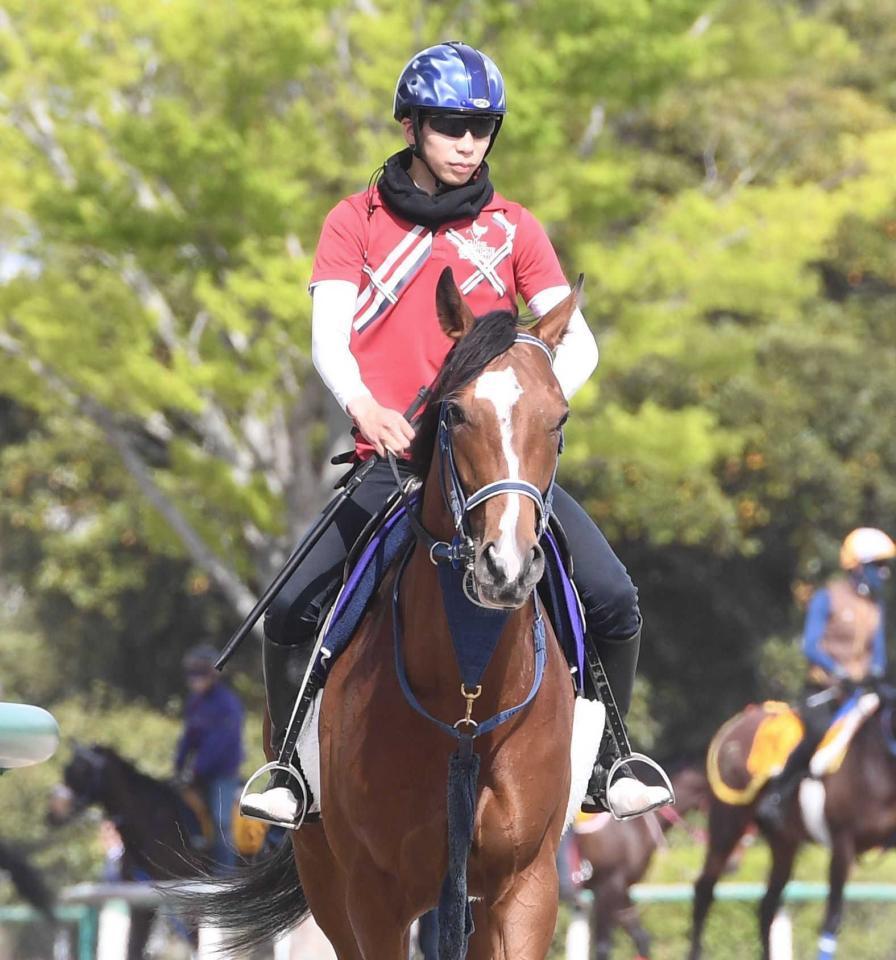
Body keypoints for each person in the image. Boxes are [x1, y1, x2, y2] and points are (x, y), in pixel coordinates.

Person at [240, 40, 672, 828]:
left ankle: (611, 761)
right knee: (291, 609)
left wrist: (523, 408)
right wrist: (364, 406)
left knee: (615, 598)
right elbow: (327, 340)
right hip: (398, 459)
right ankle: (292, 770)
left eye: (482, 128)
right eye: (450, 125)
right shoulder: (355, 221)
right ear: (412, 126)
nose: (468, 142)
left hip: (492, 462)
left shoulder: (514, 227)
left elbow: (580, 344)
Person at [756, 526, 894, 830]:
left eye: (885, 567)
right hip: (824, 692)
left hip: (859, 695)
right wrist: (839, 672)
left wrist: (874, 675)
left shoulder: (876, 607)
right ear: (857, 566)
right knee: (817, 732)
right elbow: (810, 645)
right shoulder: (826, 597)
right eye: (877, 566)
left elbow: (879, 654)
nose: (883, 574)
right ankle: (778, 796)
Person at [174, 644, 244, 871]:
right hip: (197, 773)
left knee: (221, 821)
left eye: (200, 673)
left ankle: (226, 876)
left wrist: (195, 769)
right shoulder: (195, 702)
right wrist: (178, 765)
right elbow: (188, 737)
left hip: (223, 774)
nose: (194, 679)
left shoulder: (228, 704)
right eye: (191, 673)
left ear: (213, 675)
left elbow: (220, 744)